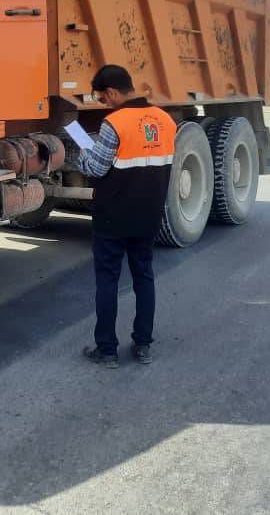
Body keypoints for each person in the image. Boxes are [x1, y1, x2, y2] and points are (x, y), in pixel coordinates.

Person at [77, 65, 176, 367]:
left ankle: (107, 350)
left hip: (113, 217)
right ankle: (143, 344)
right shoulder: (165, 120)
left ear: (111, 93)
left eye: (103, 99)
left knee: (108, 281)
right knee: (144, 277)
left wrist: (82, 151)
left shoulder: (114, 123)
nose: (104, 104)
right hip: (148, 215)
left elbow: (96, 168)